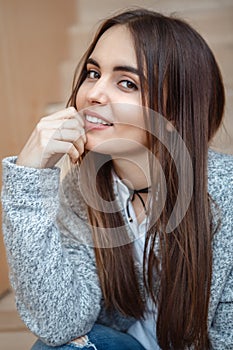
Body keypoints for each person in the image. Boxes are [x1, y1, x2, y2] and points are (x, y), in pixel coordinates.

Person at [1, 8, 233, 350]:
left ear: (174, 111)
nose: (93, 93)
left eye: (127, 82)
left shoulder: (224, 196)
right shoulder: (83, 190)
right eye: (93, 73)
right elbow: (58, 323)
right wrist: (29, 178)